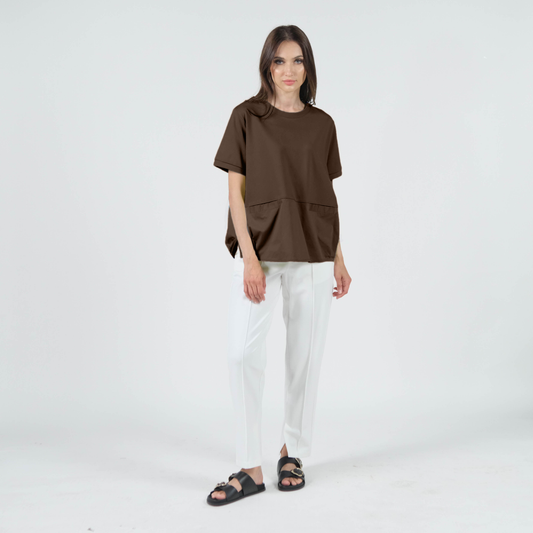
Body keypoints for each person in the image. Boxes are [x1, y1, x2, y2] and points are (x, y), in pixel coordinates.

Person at [207, 25, 351, 506]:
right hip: (261, 252)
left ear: (308, 67)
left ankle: (293, 451)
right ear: (267, 66)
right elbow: (235, 193)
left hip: (314, 253)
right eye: (279, 61)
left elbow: (324, 196)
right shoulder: (246, 117)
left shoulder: (323, 124)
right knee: (241, 353)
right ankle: (249, 465)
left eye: (297, 60)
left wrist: (339, 257)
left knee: (305, 357)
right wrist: (249, 257)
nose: (289, 70)